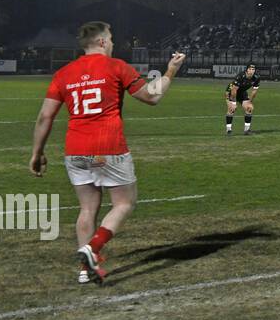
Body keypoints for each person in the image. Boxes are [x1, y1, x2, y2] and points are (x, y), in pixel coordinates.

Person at [29, 21, 185, 284]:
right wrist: (170, 70)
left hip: (75, 152)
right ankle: (93, 248)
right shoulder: (116, 67)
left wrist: (37, 152)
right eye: (110, 39)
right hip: (107, 149)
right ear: (101, 42)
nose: (112, 43)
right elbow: (151, 96)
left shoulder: (64, 73)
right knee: (124, 203)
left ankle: (84, 269)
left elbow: (45, 117)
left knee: (87, 208)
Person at [225, 63, 261, 134]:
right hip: (231, 92)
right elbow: (234, 90)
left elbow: (254, 91)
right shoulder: (240, 76)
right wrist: (233, 102)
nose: (251, 71)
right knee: (232, 109)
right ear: (246, 70)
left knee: (250, 108)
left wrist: (250, 101)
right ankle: (228, 130)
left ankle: (246, 130)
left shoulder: (257, 77)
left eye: (253, 69)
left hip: (242, 93)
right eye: (250, 69)